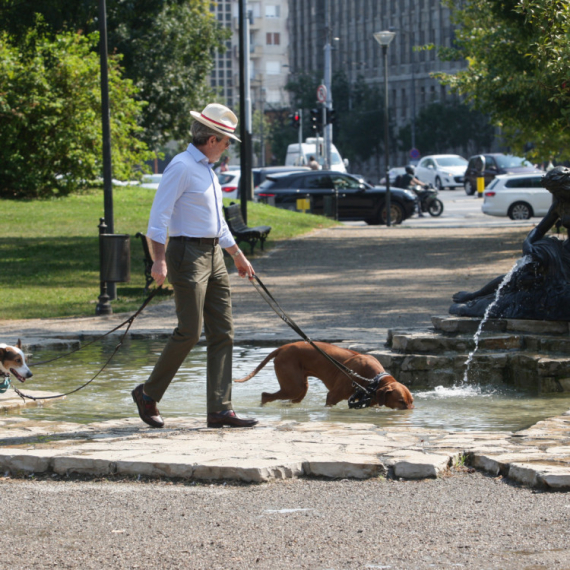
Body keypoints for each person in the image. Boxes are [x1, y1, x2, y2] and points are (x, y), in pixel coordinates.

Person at [132, 103, 258, 429]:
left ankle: (220, 409)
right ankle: (147, 394)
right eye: (227, 140)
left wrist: (237, 256)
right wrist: (159, 260)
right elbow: (158, 218)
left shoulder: (206, 170)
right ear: (212, 139)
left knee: (223, 332)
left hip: (214, 254)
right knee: (190, 331)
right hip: (185, 253)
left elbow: (216, 222)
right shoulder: (182, 166)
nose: (228, 146)